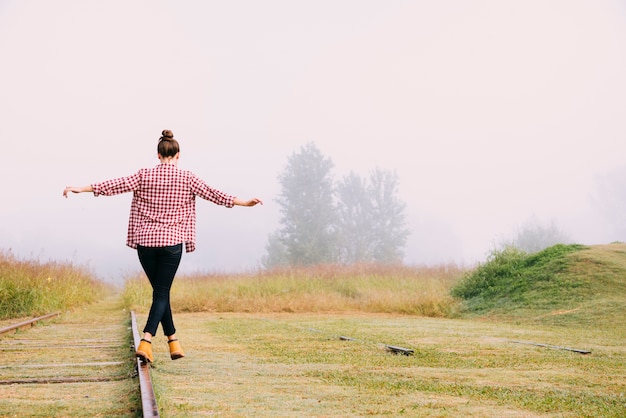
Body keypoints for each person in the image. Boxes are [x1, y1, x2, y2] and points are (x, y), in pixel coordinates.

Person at [63, 129, 263, 363]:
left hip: (145, 243)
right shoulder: (188, 178)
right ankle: (147, 340)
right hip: (172, 243)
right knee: (161, 292)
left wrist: (82, 188)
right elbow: (213, 194)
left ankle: (173, 341)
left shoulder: (144, 175)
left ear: (158, 155)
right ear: (178, 155)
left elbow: (114, 185)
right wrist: (243, 203)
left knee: (160, 291)